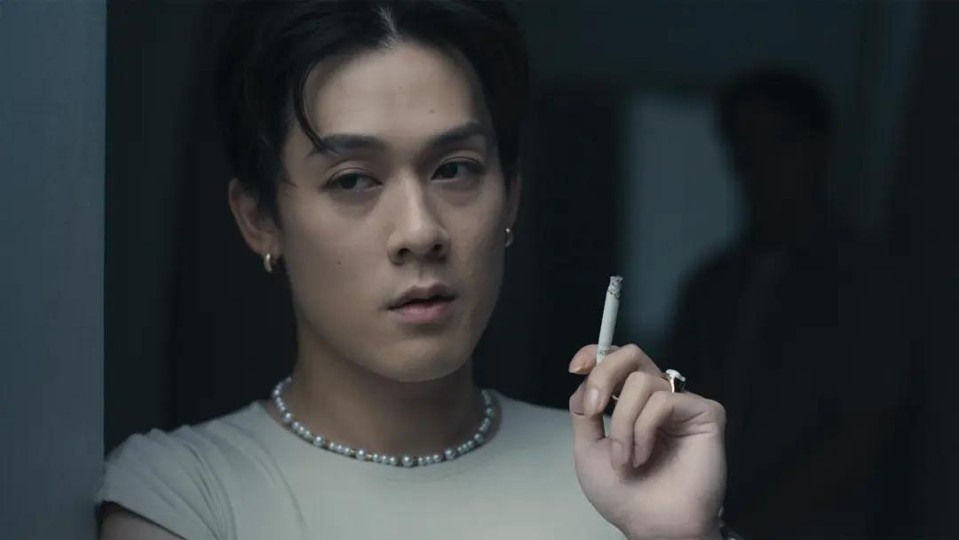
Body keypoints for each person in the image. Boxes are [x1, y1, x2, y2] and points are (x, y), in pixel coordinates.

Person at [96, 2, 731, 539]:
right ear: (260, 217)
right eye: (352, 180)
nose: (420, 231)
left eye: (454, 169)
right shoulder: (182, 494)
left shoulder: (622, 475)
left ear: (511, 196)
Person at [666, 68, 908, 538]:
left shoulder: (862, 277)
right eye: (745, 145)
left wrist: (753, 525)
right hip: (706, 516)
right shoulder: (711, 285)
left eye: (779, 141)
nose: (760, 163)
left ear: (817, 148)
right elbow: (677, 395)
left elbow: (868, 427)